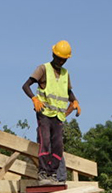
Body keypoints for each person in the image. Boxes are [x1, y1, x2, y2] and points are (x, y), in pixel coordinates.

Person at [21, 40, 81, 185]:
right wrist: (34, 98)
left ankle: (53, 174)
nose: (61, 62)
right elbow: (26, 85)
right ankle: (43, 173)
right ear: (53, 54)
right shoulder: (43, 69)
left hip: (58, 116)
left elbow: (68, 91)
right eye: (59, 58)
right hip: (44, 113)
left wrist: (75, 101)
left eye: (64, 59)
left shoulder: (66, 74)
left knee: (58, 145)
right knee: (45, 141)